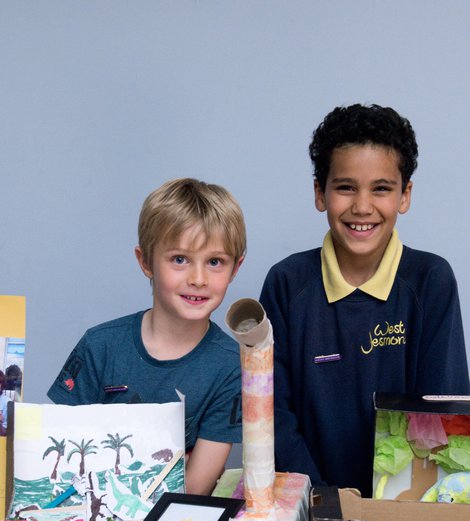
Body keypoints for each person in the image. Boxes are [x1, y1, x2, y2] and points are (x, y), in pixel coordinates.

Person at [260, 104, 470, 498]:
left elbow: (442, 414)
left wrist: (392, 507)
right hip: (308, 503)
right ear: (319, 193)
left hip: (406, 509)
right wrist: (321, 499)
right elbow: (272, 417)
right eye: (345, 187)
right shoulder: (287, 284)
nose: (362, 206)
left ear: (404, 195)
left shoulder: (431, 282)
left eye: (381, 188)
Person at [48, 178, 246, 495]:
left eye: (214, 262)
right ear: (145, 262)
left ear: (235, 268)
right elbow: (60, 459)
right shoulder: (99, 346)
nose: (198, 279)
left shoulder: (232, 367)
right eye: (179, 259)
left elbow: (194, 488)